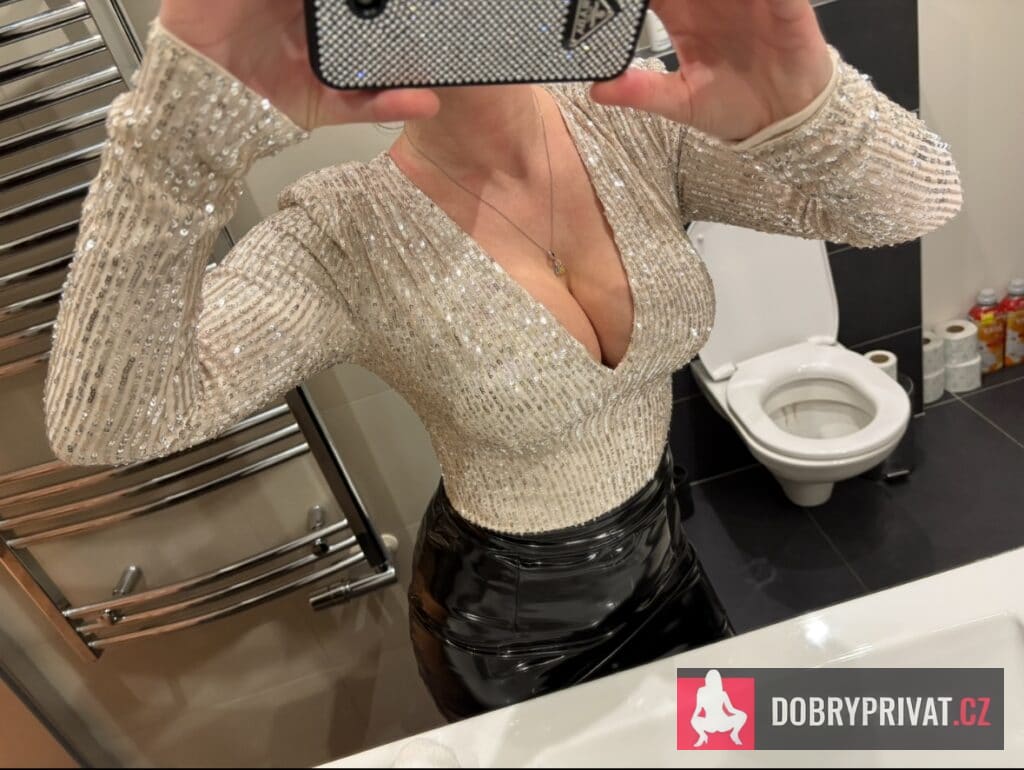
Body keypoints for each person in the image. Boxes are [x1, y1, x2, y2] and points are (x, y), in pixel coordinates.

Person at [43, 0, 962, 722]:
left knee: (714, 747)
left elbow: (911, 204)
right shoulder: (340, 234)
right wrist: (180, 138)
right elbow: (108, 423)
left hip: (666, 557)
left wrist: (802, 97)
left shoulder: (636, 121)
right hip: (507, 633)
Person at [691, 669, 748, 747]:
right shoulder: (701, 691)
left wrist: (741, 713)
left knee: (743, 715)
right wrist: (693, 719)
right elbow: (698, 707)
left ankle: (734, 733)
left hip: (722, 722)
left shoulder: (722, 693)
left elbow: (730, 709)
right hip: (710, 723)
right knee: (694, 720)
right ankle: (702, 735)